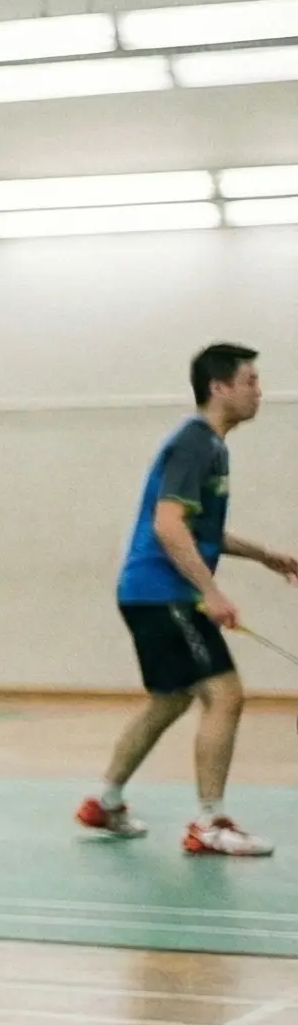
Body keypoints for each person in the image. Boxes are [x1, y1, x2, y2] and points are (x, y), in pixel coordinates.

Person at [77, 343, 298, 855]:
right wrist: (211, 591)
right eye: (251, 381)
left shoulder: (211, 447)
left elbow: (200, 527)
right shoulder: (196, 443)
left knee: (172, 697)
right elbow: (168, 525)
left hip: (149, 592)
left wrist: (267, 555)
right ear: (219, 387)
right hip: (163, 591)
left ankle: (105, 801)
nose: (259, 392)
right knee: (225, 694)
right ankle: (210, 823)